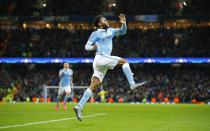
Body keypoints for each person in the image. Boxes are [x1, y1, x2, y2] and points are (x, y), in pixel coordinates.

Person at [73, 14, 146, 121]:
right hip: (101, 57)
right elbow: (86, 47)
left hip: (100, 62)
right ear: (99, 23)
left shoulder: (111, 30)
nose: (106, 20)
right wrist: (93, 47)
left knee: (94, 85)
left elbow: (123, 31)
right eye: (104, 20)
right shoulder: (95, 33)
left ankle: (79, 106)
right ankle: (132, 84)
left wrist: (124, 23)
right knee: (124, 62)